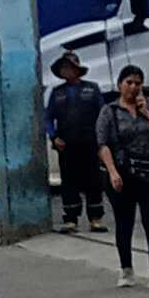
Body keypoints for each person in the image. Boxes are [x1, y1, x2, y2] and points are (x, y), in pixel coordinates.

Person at [98, 64, 149, 284]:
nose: (133, 87)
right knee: (124, 222)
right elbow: (102, 144)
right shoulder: (109, 111)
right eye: (128, 82)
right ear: (120, 84)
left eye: (137, 83)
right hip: (122, 173)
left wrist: (146, 112)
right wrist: (112, 172)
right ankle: (126, 269)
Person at [42, 51, 106, 232]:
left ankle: (95, 218)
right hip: (66, 145)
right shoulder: (57, 93)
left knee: (94, 181)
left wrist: (102, 138)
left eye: (69, 67)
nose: (66, 71)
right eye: (63, 68)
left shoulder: (92, 89)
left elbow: (103, 115)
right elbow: (48, 118)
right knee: (69, 182)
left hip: (90, 143)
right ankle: (71, 219)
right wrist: (54, 137)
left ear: (77, 69)